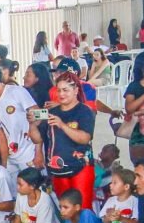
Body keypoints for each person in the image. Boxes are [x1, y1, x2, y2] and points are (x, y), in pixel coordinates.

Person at [29, 73, 96, 209]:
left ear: (76, 90)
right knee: (65, 210)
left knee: (82, 209)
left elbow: (85, 138)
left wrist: (62, 125)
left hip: (81, 167)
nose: (61, 94)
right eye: (58, 90)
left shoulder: (84, 111)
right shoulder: (50, 112)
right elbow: (37, 139)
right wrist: (32, 123)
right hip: (58, 170)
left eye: (66, 90)